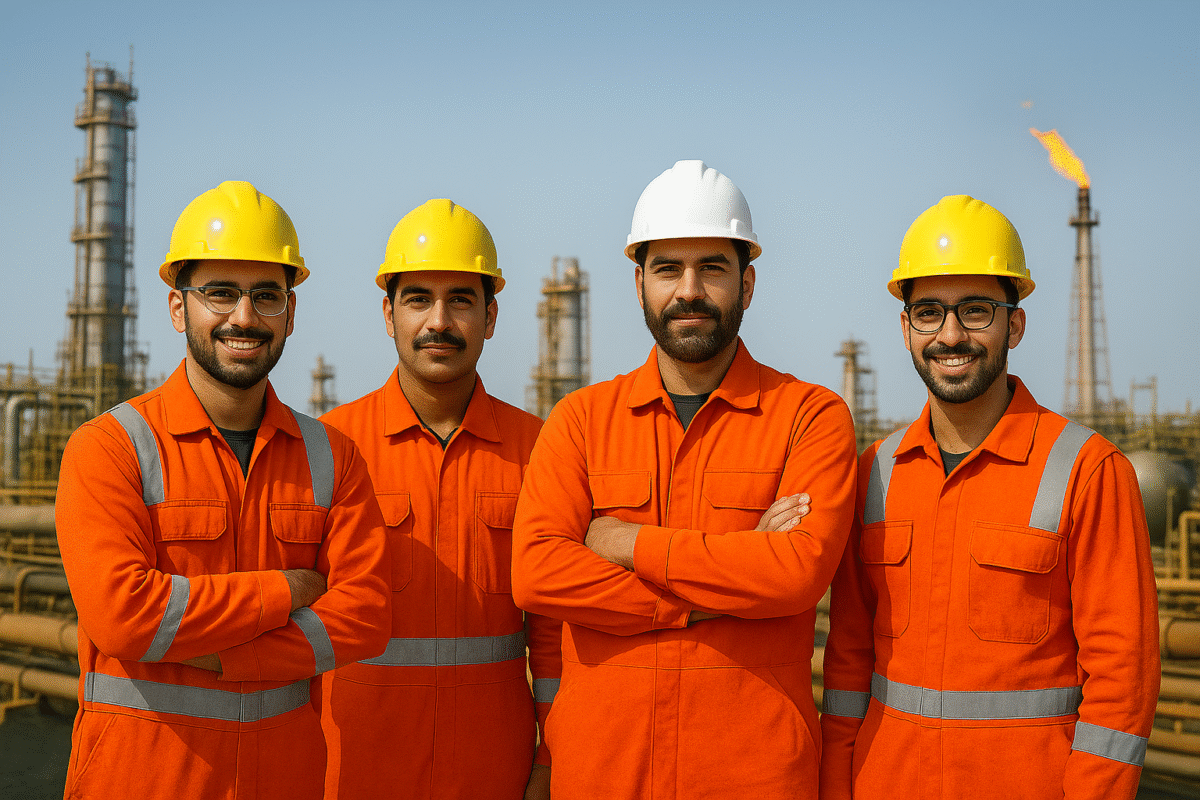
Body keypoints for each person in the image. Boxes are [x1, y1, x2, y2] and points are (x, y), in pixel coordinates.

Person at [511, 160, 858, 799]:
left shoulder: (809, 416)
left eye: (713, 268)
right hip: (603, 774)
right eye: (668, 269)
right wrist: (711, 589)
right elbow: (537, 572)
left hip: (753, 775)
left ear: (747, 284)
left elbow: (796, 573)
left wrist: (621, 543)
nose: (689, 290)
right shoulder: (582, 420)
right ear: (639, 282)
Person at [55, 180, 392, 800]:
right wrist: (288, 589)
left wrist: (231, 657)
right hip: (141, 778)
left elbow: (366, 618)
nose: (244, 317)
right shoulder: (109, 448)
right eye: (220, 293)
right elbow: (124, 617)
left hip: (283, 778)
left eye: (266, 296)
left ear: (291, 312)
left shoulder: (332, 457)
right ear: (178, 307)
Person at [819, 195, 1160, 800]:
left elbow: (1121, 681)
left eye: (977, 311)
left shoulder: (1088, 470)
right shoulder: (876, 474)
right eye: (928, 312)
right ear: (905, 329)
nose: (951, 335)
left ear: (1015, 324)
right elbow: (847, 665)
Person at [318, 199, 559, 800]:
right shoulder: (329, 447)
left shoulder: (539, 450)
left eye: (461, 300)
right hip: (354, 770)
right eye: (418, 298)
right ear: (388, 312)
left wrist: (551, 758)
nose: (439, 322)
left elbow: (557, 635)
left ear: (491, 315)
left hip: (492, 770)